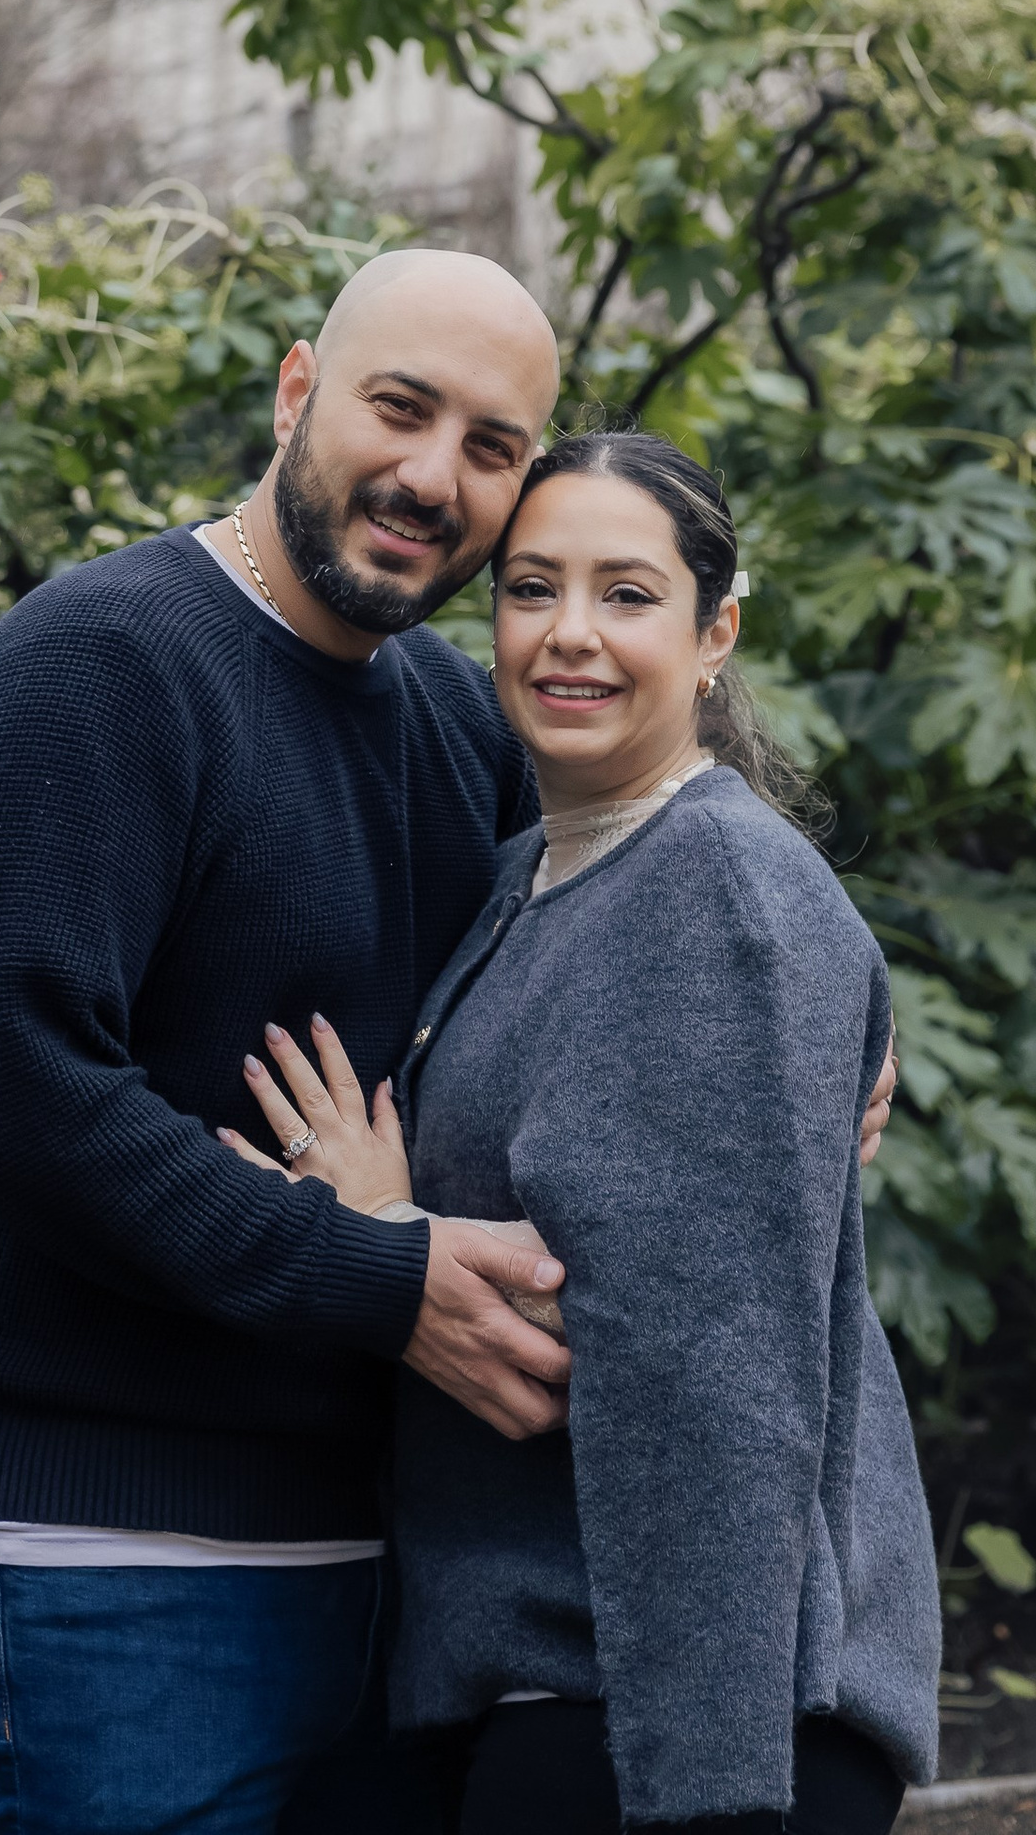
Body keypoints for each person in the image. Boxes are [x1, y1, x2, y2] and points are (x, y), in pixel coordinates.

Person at [0, 248, 581, 1835]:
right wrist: (376, 1275)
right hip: (86, 1571)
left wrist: (827, 1005)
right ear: (297, 388)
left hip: (372, 1566)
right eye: (400, 408)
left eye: (490, 446)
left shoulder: (456, 726)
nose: (430, 475)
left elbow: (634, 902)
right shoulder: (101, 664)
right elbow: (13, 1088)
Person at [225, 429, 940, 1835]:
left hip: (677, 1721)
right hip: (562, 1685)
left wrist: (382, 1236)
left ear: (714, 630)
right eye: (530, 587)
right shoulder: (541, 871)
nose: (569, 635)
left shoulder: (717, 889)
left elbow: (704, 1372)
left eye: (626, 595)